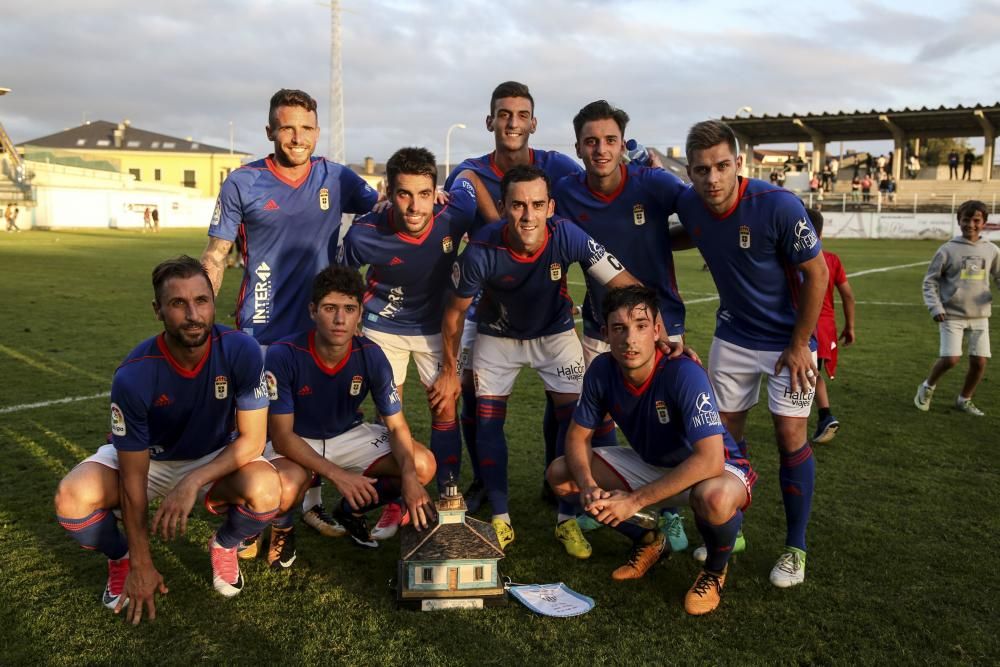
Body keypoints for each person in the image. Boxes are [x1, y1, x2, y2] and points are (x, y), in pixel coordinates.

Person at [53, 256, 280, 624]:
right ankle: (121, 556)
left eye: (201, 301)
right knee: (71, 499)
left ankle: (224, 544)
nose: (193, 314)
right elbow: (132, 477)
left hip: (214, 455)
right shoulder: (134, 375)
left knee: (269, 489)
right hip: (150, 459)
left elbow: (253, 441)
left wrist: (192, 481)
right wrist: (142, 562)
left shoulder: (242, 350)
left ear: (212, 302)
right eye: (178, 304)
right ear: (157, 310)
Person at [429, 165, 641, 550]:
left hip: (555, 333)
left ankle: (567, 518)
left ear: (550, 207)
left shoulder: (567, 234)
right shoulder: (482, 250)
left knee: (575, 421)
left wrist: (658, 330)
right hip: (498, 336)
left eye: (537, 205)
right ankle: (500, 517)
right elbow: (454, 314)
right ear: (503, 206)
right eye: (518, 205)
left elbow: (621, 280)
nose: (528, 215)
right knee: (489, 424)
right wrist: (448, 369)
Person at [200, 88, 379, 539]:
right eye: (287, 128)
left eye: (305, 128)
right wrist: (201, 317)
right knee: (258, 431)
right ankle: (260, 510)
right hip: (262, 328)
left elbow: (383, 206)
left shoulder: (336, 178)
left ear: (317, 132)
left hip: (321, 328)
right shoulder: (243, 181)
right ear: (270, 131)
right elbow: (217, 254)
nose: (297, 137)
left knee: (316, 420)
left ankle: (308, 504)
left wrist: (428, 197)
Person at [674, 119, 828, 588]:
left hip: (789, 345)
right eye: (702, 170)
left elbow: (817, 274)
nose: (713, 179)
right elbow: (687, 231)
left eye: (722, 166)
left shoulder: (777, 205)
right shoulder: (689, 204)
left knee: (790, 437)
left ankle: (795, 547)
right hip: (734, 339)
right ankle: (731, 532)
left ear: (738, 164)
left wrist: (800, 344)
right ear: (691, 173)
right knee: (720, 444)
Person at [546, 286, 755, 615]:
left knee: (713, 499)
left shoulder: (683, 372)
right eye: (620, 328)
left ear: (657, 331)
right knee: (562, 474)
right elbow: (577, 437)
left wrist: (634, 501)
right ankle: (649, 541)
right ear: (606, 333)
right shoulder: (602, 369)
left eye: (641, 326)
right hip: (655, 465)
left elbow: (710, 458)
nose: (630, 339)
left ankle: (714, 571)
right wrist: (588, 487)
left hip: (714, 469)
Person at [552, 99, 689, 551]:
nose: (601, 149)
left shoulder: (654, 182)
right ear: (578, 147)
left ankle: (668, 514)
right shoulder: (567, 191)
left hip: (660, 326)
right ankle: (592, 504)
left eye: (610, 140)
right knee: (597, 415)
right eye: (591, 141)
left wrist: (664, 239)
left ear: (621, 143)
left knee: (666, 425)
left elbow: (702, 216)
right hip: (599, 324)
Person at [443, 81, 583, 512]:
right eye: (504, 114)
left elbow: (591, 189)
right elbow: (455, 223)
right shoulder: (467, 170)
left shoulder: (555, 165)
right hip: (487, 309)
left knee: (563, 394)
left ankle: (557, 478)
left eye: (521, 115)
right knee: (469, 391)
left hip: (544, 306)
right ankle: (485, 481)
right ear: (490, 121)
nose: (512, 123)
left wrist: (639, 161)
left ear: (534, 123)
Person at [337, 147, 484, 538]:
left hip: (437, 328)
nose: (415, 206)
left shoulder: (456, 213)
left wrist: (454, 189)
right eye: (404, 193)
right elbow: (343, 281)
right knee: (389, 416)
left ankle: (448, 495)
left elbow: (470, 177)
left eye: (423, 193)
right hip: (383, 328)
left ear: (436, 191)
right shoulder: (365, 232)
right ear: (387, 191)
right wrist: (350, 325)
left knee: (445, 406)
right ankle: (395, 499)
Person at [256, 266, 436, 564]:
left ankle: (350, 510)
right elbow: (282, 436)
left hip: (347, 435)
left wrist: (408, 479)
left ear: (360, 313)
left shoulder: (372, 355)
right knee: (284, 490)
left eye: (349, 309)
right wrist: (339, 476)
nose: (340, 319)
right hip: (297, 439)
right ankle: (283, 525)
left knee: (422, 465)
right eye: (330, 308)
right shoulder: (283, 354)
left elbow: (397, 426)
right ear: (313, 311)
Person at [915, 200, 1000, 416]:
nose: (971, 224)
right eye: (966, 220)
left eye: (976, 220)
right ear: (958, 221)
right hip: (951, 315)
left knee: (979, 362)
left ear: (984, 222)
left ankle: (965, 399)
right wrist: (935, 307)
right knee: (951, 359)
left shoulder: (991, 250)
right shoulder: (948, 250)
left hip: (980, 316)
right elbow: (930, 281)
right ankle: (927, 387)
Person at [806, 209, 856, 443]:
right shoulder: (832, 259)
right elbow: (848, 295)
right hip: (826, 327)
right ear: (822, 232)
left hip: (805, 324)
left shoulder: (791, 256)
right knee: (812, 372)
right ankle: (824, 415)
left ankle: (824, 415)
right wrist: (850, 326)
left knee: (809, 373)